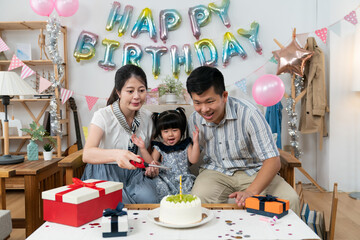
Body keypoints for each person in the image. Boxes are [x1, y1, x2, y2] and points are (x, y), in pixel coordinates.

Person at [186, 66, 300, 214]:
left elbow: (273, 160)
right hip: (216, 171)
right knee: (197, 200)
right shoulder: (194, 119)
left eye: (209, 101)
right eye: (197, 103)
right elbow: (190, 155)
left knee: (291, 199)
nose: (204, 109)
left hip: (254, 170)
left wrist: (251, 191)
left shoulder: (249, 114)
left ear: (224, 96)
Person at [82, 64, 159, 204]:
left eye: (141, 90)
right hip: (105, 169)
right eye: (130, 91)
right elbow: (87, 154)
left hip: (135, 172)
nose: (137, 96)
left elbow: (148, 153)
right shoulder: (103, 115)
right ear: (118, 92)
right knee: (117, 205)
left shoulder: (148, 117)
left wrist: (151, 167)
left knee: (150, 200)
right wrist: (117, 154)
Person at [132, 107, 200, 199]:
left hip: (183, 180)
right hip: (166, 180)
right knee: (163, 195)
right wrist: (142, 148)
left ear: (181, 130)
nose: (170, 134)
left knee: (186, 199)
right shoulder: (159, 147)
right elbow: (151, 163)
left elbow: (194, 160)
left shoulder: (186, 145)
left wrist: (196, 142)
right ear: (160, 133)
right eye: (166, 131)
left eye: (175, 130)